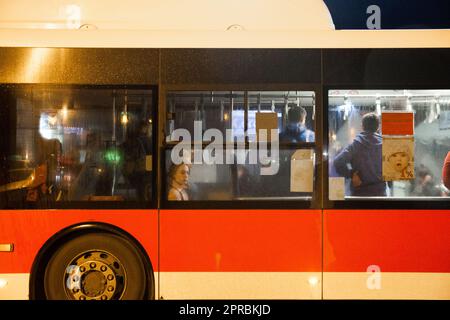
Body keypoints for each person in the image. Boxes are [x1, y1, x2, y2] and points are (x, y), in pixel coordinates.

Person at [333, 112, 387, 196]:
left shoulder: (356, 145)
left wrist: (351, 174)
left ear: (362, 126)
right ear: (377, 127)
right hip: (380, 194)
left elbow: (337, 162)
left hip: (359, 195)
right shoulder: (386, 145)